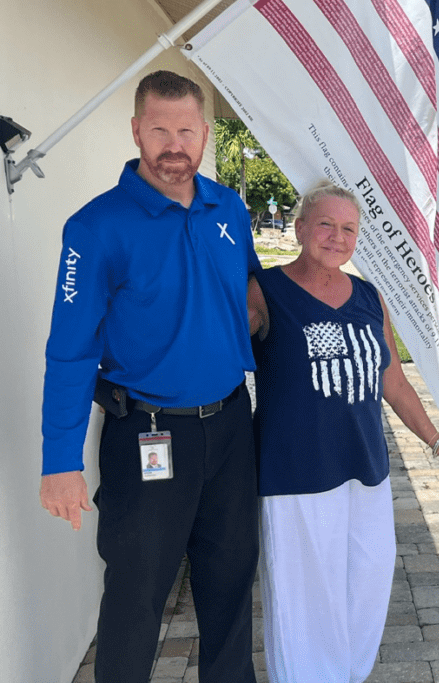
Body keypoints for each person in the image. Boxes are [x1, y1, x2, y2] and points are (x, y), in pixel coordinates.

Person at [39, 71, 260, 683]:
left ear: (205, 134)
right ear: (136, 130)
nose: (173, 144)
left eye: (185, 130)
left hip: (231, 428)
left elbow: (250, 297)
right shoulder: (95, 229)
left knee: (232, 581)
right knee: (136, 594)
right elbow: (70, 351)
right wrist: (60, 461)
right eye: (159, 129)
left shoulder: (230, 209)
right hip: (148, 436)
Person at [247, 179, 439, 683]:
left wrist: (435, 441)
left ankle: (348, 674)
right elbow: (216, 352)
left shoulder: (369, 296)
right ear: (301, 227)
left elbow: (391, 379)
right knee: (305, 595)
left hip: (364, 466)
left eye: (348, 228)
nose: (336, 236)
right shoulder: (267, 291)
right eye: (325, 224)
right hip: (295, 472)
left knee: (368, 579)